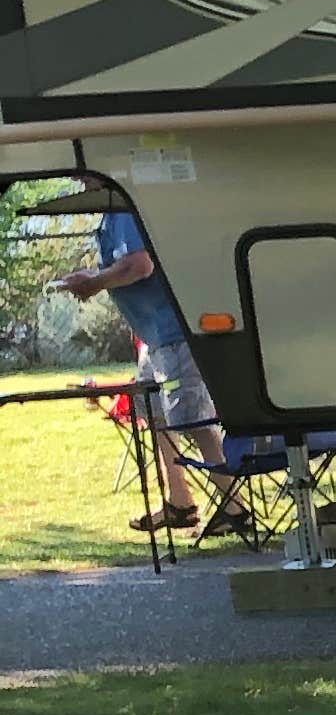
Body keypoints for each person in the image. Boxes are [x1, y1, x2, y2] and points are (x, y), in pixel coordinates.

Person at [64, 196, 229, 533]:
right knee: (151, 409)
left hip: (174, 333)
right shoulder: (110, 215)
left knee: (194, 419)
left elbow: (139, 265)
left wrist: (94, 282)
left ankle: (235, 507)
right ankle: (179, 501)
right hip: (153, 338)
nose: (80, 181)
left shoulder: (123, 208)